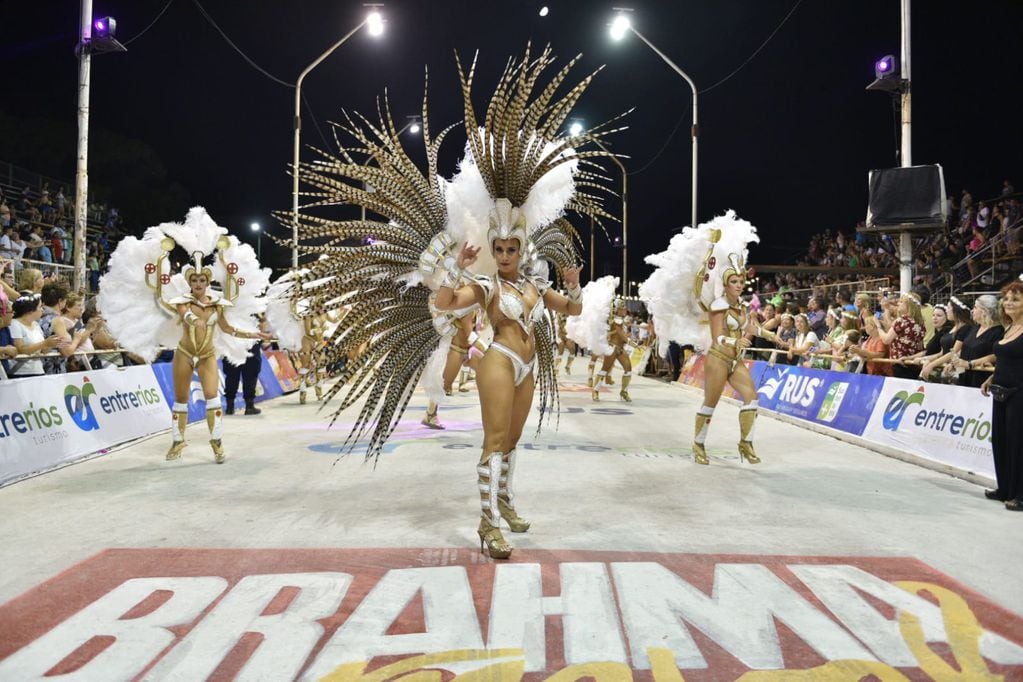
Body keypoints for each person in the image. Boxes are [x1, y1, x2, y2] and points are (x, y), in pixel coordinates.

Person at [97, 207, 271, 463]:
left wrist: (252, 334)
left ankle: (217, 443)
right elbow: (164, 300)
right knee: (180, 401)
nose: (199, 284)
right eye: (195, 280)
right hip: (185, 354)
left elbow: (227, 328)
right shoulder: (181, 302)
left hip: (207, 355)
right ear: (190, 281)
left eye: (203, 280)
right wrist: (156, 264)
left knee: (213, 399)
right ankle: (178, 442)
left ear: (207, 281)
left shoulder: (217, 305)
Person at [981, 281, 1023, 509]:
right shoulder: (1009, 328)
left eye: (1015, 299)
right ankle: (1005, 488)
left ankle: (1020, 494)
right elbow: (1004, 361)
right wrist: (990, 379)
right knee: (1001, 440)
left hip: (1019, 393)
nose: (1008, 303)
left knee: (1018, 444)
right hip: (1001, 391)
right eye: (1006, 298)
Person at [7, 293, 63, 377]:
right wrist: (44, 343)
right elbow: (20, 349)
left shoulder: (36, 325)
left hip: (38, 370)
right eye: (40, 307)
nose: (42, 310)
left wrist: (51, 343)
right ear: (30, 310)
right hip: (21, 372)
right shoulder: (15, 324)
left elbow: (43, 351)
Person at [593, 299, 634, 402]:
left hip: (620, 349)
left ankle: (624, 392)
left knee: (628, 369)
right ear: (616, 309)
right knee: (604, 369)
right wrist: (634, 344)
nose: (624, 310)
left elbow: (622, 334)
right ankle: (595, 390)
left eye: (624, 308)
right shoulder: (615, 320)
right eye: (621, 308)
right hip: (612, 348)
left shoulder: (621, 320)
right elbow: (621, 334)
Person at [877, 292, 926, 379]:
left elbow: (886, 340)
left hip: (900, 362)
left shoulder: (902, 321)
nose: (898, 304)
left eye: (901, 302)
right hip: (914, 362)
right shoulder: (920, 322)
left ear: (908, 305)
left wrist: (878, 327)